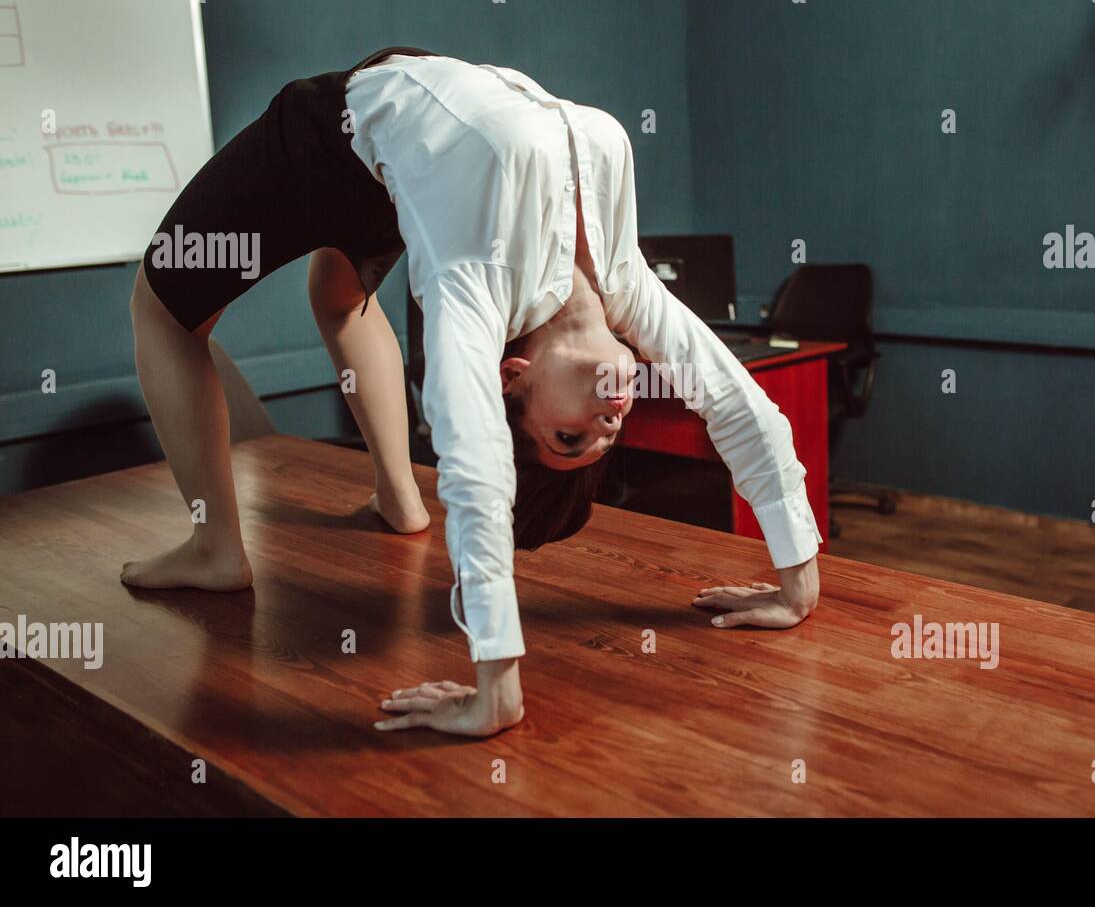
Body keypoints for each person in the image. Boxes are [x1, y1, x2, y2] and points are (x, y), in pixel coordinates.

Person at [122, 47, 822, 737]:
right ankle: (396, 501)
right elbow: (733, 397)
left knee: (160, 308)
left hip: (323, 138)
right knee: (339, 298)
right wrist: (797, 583)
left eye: (567, 438)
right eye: (603, 442)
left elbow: (477, 469)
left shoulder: (471, 293)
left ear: (509, 380)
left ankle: (217, 546)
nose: (608, 424)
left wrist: (495, 693)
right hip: (395, 158)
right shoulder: (624, 286)